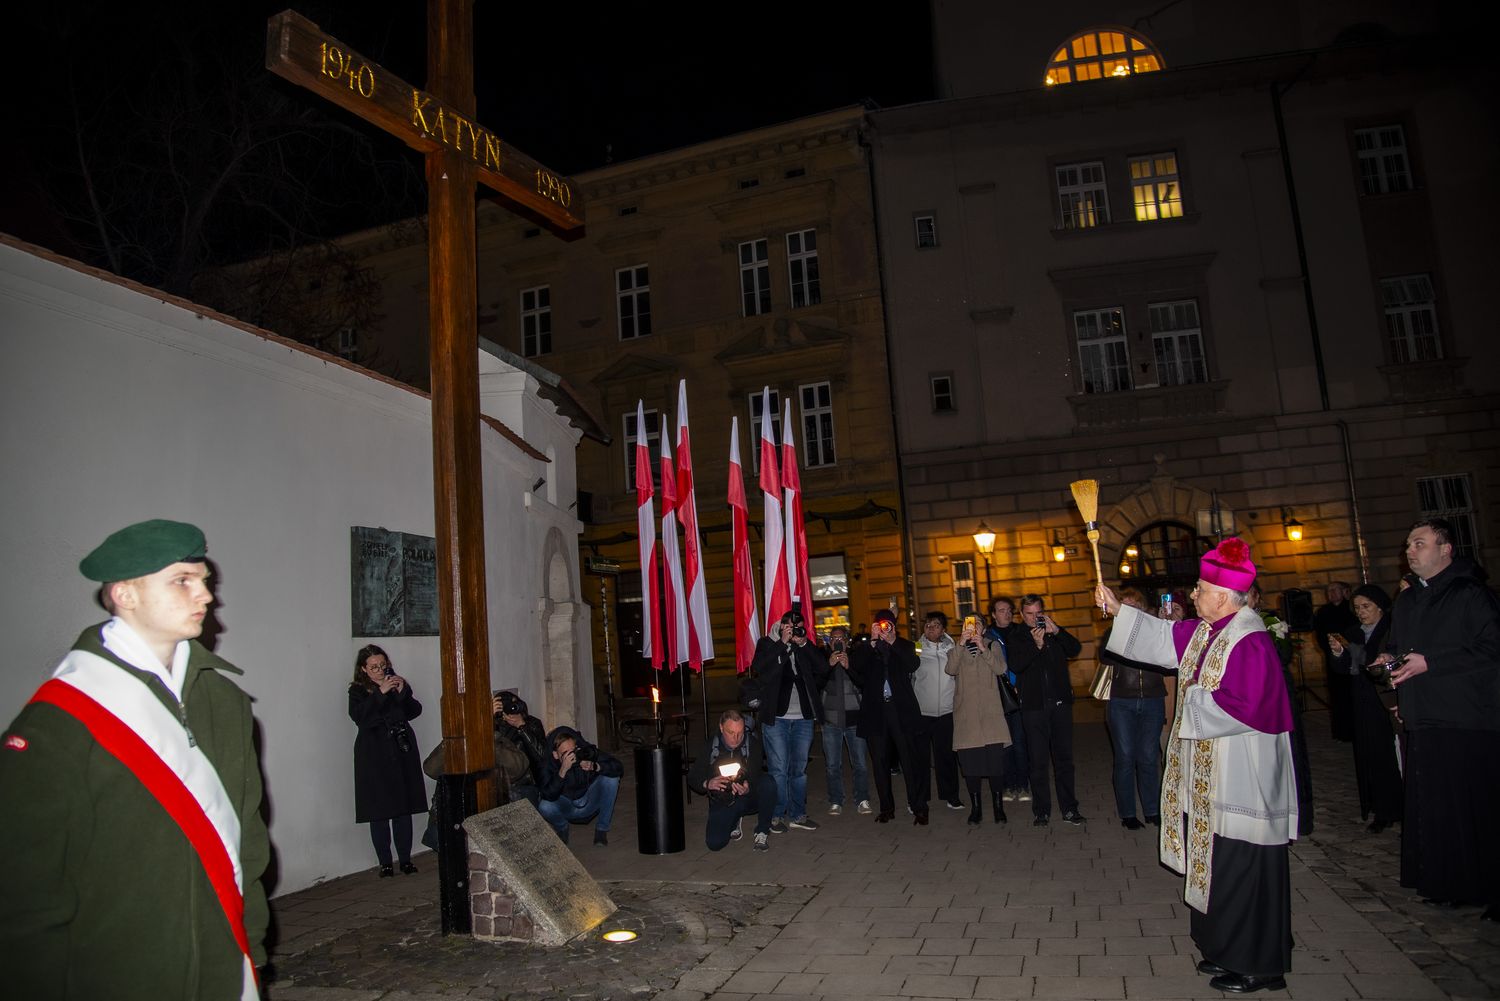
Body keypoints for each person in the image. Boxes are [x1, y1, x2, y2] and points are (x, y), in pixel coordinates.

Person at [0, 519, 269, 1000]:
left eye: (204, 580)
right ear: (125, 594)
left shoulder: (225, 702)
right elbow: (27, 894)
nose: (206, 596)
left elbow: (248, 842)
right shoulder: (59, 722)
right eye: (182, 581)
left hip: (223, 967)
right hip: (115, 974)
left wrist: (252, 948)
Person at [1097, 537, 1297, 995]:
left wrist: (1192, 702)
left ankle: (1260, 965)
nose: (1193, 594)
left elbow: (1248, 706)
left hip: (1244, 778)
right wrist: (1118, 609)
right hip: (1215, 777)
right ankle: (1225, 948)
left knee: (1245, 869)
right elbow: (1163, 639)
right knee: (1219, 865)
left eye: (1201, 589)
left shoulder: (1249, 640)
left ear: (1224, 597)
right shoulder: (1210, 630)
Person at [1378, 518, 1500, 922]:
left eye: (1420, 543)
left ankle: (1490, 886)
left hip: (1467, 716)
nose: (1410, 551)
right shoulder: (1409, 600)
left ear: (1446, 549)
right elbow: (1401, 649)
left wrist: (1431, 663)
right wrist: (1388, 661)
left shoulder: (1470, 593)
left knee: (1478, 808)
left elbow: (1491, 648)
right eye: (1408, 544)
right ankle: (1452, 883)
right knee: (1440, 809)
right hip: (1423, 715)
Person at [1327, 584, 1403, 833]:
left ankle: (1401, 806)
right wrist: (1338, 653)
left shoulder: (1391, 630)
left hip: (1387, 700)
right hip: (1363, 702)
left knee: (1393, 755)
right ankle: (1382, 809)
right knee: (1372, 757)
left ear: (1380, 607)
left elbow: (1388, 662)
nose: (1361, 612)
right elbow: (1342, 669)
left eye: (1366, 606)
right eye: (1357, 607)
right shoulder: (1352, 633)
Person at [748, 609, 831, 833]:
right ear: (783, 626)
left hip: (803, 718)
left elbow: (823, 668)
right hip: (777, 718)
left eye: (800, 628)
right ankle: (776, 816)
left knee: (799, 770)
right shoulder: (767, 643)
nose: (796, 632)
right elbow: (760, 668)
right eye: (793, 628)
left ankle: (798, 814)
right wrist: (782, 643)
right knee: (778, 770)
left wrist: (804, 644)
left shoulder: (803, 644)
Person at [349, 644, 428, 876]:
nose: (380, 670)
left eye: (383, 665)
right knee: (379, 809)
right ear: (363, 669)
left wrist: (403, 692)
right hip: (374, 753)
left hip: (400, 749)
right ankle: (385, 862)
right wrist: (380, 693)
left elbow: (414, 711)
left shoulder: (394, 683)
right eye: (374, 667)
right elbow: (360, 717)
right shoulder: (357, 691)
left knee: (403, 806)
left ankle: (405, 860)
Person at [1008, 594, 1085, 826]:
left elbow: (1075, 649)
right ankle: (1041, 810)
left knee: (1064, 760)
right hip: (1033, 707)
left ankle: (1069, 808)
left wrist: (1057, 631)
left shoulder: (1053, 631)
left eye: (1038, 613)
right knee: (1038, 761)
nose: (1034, 618)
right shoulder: (1017, 636)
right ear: (1021, 615)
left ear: (1044, 612)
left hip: (1060, 703)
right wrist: (1037, 645)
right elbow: (1016, 665)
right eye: (1029, 614)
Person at [1099, 587, 1167, 831]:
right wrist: (1121, 629)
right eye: (1125, 606)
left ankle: (1152, 810)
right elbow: (1104, 657)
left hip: (1152, 698)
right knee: (1125, 757)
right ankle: (1127, 813)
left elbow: (1165, 656)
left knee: (1148, 757)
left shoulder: (1155, 630)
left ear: (1143, 609)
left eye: (1135, 606)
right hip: (1122, 700)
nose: (1131, 611)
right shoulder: (1113, 631)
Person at [848, 609, 924, 823]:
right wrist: (872, 642)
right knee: (880, 763)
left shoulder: (906, 645)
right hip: (876, 711)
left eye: (888, 624)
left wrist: (892, 642)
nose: (884, 628)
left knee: (909, 761)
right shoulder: (868, 648)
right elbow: (855, 667)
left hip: (901, 711)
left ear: (894, 626)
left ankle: (919, 807)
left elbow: (913, 664)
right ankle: (886, 808)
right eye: (880, 624)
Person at [945, 614, 1012, 825]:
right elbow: (950, 669)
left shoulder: (992, 645)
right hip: (967, 717)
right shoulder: (956, 648)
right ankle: (976, 809)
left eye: (978, 624)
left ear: (983, 629)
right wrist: (961, 643)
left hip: (991, 715)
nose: (974, 627)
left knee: (995, 766)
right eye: (969, 624)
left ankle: (999, 808)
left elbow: (1001, 669)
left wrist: (983, 648)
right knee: (971, 766)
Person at [688, 709, 775, 851]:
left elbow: (756, 774)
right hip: (723, 799)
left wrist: (748, 787)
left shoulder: (752, 743)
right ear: (721, 728)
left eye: (740, 732)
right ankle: (734, 819)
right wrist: (708, 783)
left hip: (747, 798)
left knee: (768, 782)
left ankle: (762, 831)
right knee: (715, 843)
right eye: (731, 733)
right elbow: (693, 777)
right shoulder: (712, 745)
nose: (736, 738)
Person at [912, 611, 964, 813]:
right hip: (922, 713)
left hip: (946, 712)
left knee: (946, 757)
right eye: (927, 625)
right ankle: (920, 798)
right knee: (920, 758)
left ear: (943, 629)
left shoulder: (952, 648)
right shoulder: (917, 647)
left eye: (935, 625)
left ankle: (951, 795)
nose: (931, 628)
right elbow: (909, 672)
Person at [537, 726, 623, 846]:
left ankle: (602, 829)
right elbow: (547, 794)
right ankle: (562, 828)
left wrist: (595, 766)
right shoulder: (547, 764)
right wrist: (562, 772)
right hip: (567, 806)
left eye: (573, 750)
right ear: (555, 754)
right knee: (545, 806)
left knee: (611, 779)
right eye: (566, 753)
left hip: (589, 801)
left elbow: (618, 767)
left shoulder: (584, 753)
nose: (572, 756)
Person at [820, 625, 872, 816]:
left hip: (854, 720)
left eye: (841, 638)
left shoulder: (856, 658)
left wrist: (849, 667)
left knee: (860, 763)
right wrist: (829, 665)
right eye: (833, 639)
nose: (837, 642)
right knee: (832, 765)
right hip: (830, 720)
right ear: (829, 642)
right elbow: (816, 683)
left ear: (847, 641)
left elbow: (864, 683)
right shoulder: (823, 659)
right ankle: (836, 800)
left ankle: (862, 798)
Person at [985, 597, 1031, 804]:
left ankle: (1023, 784)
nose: (1007, 613)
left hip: (1019, 693)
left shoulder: (1021, 632)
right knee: (1004, 743)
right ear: (993, 615)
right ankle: (1008, 785)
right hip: (997, 695)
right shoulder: (987, 636)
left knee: (1020, 741)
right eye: (1001, 610)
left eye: (1009, 610)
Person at [1314, 581, 1360, 743]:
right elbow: (1320, 635)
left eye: (1335, 590)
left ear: (1345, 591)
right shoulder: (1323, 612)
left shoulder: (1351, 609)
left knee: (1352, 694)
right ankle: (1341, 732)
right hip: (1333, 658)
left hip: (1352, 659)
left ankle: (1356, 730)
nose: (1331, 593)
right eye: (1329, 590)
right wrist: (1332, 650)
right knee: (1337, 696)